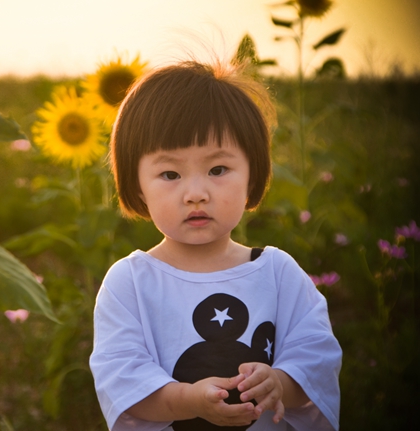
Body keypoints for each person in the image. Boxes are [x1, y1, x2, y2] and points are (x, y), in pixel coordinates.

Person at [89, 60, 342, 431]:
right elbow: (122, 379)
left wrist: (280, 384)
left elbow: (316, 358)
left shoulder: (277, 273)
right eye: (170, 174)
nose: (196, 194)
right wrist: (189, 401)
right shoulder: (130, 283)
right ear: (137, 183)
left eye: (218, 170)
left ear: (253, 172)